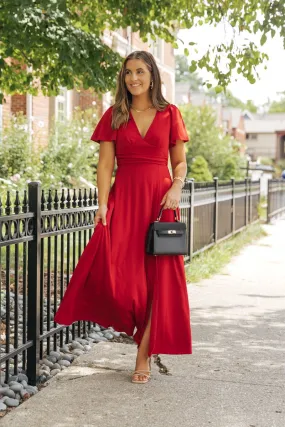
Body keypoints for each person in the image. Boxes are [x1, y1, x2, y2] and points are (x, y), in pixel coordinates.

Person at [54, 50, 192, 384]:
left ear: (152, 75)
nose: (133, 78)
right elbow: (105, 165)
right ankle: (137, 330)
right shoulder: (115, 114)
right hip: (125, 199)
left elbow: (180, 161)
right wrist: (102, 204)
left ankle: (143, 354)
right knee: (122, 278)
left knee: (156, 279)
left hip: (160, 202)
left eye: (140, 71)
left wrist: (176, 186)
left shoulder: (170, 113)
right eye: (128, 72)